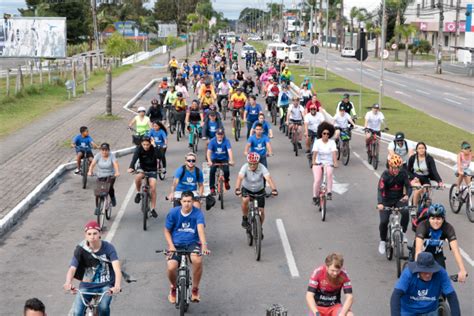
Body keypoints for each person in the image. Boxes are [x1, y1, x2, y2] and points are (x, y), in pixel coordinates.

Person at [64, 221, 122, 316]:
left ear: (100, 234)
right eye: (89, 234)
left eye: (95, 233)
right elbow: (72, 268)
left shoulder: (108, 248)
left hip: (106, 285)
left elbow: (117, 269)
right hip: (87, 286)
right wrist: (68, 283)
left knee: (103, 307)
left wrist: (117, 286)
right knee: (77, 312)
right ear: (85, 235)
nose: (92, 236)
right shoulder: (81, 249)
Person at [164, 191, 210, 304]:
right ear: (180, 202)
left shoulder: (198, 213)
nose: (187, 204)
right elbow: (166, 231)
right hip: (176, 245)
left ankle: (195, 289)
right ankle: (173, 288)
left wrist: (204, 245)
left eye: (189, 201)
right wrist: (171, 246)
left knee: (197, 260)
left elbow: (200, 230)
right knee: (171, 266)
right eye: (184, 201)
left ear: (193, 202)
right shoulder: (173, 212)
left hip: (192, 243)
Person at [390, 252, 460, 316]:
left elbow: (451, 296)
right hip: (409, 311)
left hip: (430, 310)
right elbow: (396, 296)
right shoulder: (408, 274)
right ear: (418, 270)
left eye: (430, 271)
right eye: (424, 272)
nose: (428, 275)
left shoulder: (441, 273)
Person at [415, 203, 468, 282]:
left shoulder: (448, 228)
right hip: (421, 255)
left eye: (438, 219)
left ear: (443, 219)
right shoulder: (422, 226)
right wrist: (417, 269)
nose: (435, 222)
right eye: (433, 218)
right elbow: (418, 250)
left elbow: (455, 250)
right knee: (417, 279)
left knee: (442, 279)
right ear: (428, 219)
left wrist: (462, 270)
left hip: (437, 254)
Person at [235, 152, 278, 232]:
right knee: (245, 200)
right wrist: (237, 189)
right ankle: (244, 218)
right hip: (247, 189)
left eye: (254, 164)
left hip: (259, 190)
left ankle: (259, 228)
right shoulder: (244, 167)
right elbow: (239, 178)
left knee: (261, 211)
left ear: (258, 163)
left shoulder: (262, 167)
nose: (252, 166)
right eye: (250, 164)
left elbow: (269, 179)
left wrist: (274, 189)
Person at [377, 154, 410, 254]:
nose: (396, 170)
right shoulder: (385, 175)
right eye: (394, 168)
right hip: (386, 200)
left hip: (399, 199)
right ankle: (382, 241)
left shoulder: (403, 173)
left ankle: (403, 233)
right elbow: (380, 190)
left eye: (398, 167)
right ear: (390, 166)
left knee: (405, 212)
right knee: (384, 221)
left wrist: (407, 195)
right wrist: (380, 203)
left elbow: (408, 186)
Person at [128, 136, 159, 218]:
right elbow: (134, 158)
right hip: (142, 168)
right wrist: (131, 167)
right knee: (137, 177)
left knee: (153, 187)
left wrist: (154, 145)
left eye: (148, 144)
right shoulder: (139, 149)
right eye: (144, 144)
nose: (146, 146)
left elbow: (160, 156)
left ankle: (152, 209)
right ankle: (138, 193)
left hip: (153, 169)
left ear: (150, 144)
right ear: (141, 144)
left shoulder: (153, 148)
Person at [407, 142, 443, 209]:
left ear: (425, 149)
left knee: (427, 193)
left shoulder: (429, 158)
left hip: (425, 178)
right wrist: (413, 177)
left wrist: (439, 181)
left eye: (423, 148)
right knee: (418, 190)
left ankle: (425, 207)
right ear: (416, 150)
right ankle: (414, 207)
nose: (421, 150)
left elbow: (434, 171)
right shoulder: (412, 158)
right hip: (415, 178)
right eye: (419, 148)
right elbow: (408, 171)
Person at [88, 143, 120, 215]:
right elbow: (92, 164)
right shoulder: (98, 156)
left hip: (110, 175)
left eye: (106, 150)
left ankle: (112, 198)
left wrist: (117, 172)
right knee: (98, 192)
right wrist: (90, 171)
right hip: (100, 175)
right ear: (100, 150)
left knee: (109, 187)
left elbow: (115, 164)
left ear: (109, 150)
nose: (104, 152)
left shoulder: (112, 156)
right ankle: (97, 207)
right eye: (103, 150)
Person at [312, 122, 338, 205]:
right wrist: (313, 162)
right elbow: (315, 153)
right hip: (318, 163)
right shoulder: (317, 142)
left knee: (329, 174)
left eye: (328, 133)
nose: (326, 135)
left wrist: (335, 162)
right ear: (321, 133)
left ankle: (329, 192)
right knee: (317, 180)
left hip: (328, 163)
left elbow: (334, 153)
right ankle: (315, 196)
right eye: (324, 133)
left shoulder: (332, 142)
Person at [207, 129, 234, 195]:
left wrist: (231, 160)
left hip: (224, 159)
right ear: (216, 134)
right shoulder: (212, 141)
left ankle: (226, 181)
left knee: (226, 170)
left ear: (223, 135)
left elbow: (229, 151)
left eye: (221, 134)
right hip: (215, 159)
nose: (220, 136)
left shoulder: (226, 141)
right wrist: (209, 161)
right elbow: (209, 152)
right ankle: (212, 188)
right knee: (212, 171)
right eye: (218, 134)